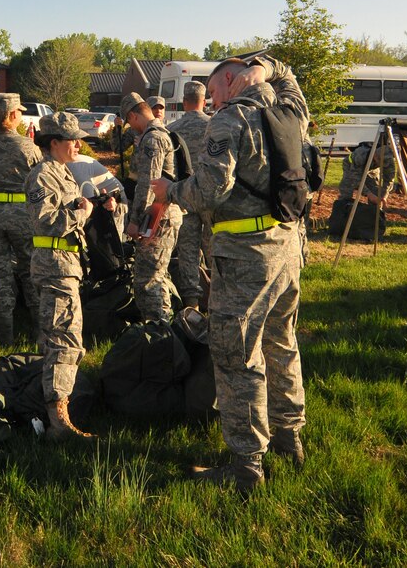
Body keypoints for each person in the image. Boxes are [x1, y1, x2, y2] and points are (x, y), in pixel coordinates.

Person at [150, 55, 308, 492]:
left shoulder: (229, 120)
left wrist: (170, 190)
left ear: (231, 80)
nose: (210, 96)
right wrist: (268, 66)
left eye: (214, 87)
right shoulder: (289, 110)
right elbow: (288, 76)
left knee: (238, 358)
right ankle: (289, 439)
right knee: (282, 344)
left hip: (244, 258)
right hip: (287, 247)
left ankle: (245, 466)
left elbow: (208, 191)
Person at [25, 112, 114, 440]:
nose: (78, 144)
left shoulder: (61, 173)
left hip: (66, 265)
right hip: (54, 267)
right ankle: (58, 421)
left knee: (62, 337)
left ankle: (57, 404)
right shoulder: (42, 175)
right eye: (72, 139)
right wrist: (80, 212)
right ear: (53, 143)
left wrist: (92, 205)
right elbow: (44, 221)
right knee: (63, 339)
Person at [0, 93, 42, 345]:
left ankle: (5, 332)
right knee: (29, 270)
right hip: (20, 215)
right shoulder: (26, 146)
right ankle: (38, 331)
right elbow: (39, 181)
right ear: (13, 115)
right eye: (20, 112)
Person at [119, 92, 182, 326]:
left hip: (157, 216)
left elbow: (148, 184)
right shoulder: (159, 134)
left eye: (130, 122)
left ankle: (160, 333)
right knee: (157, 275)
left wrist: (136, 221)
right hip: (160, 213)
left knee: (148, 280)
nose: (131, 127)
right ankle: (162, 331)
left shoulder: (152, 139)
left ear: (134, 115)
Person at [168, 81, 212, 309]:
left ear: (184, 102)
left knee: (188, 252)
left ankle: (192, 303)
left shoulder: (173, 130)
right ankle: (219, 298)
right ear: (204, 102)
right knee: (214, 248)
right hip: (211, 197)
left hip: (184, 197)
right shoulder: (215, 126)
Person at [329, 140, 396, 240]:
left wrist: (383, 195)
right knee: (346, 193)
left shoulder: (388, 159)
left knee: (376, 191)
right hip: (351, 168)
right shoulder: (361, 155)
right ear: (375, 156)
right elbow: (356, 179)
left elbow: (389, 179)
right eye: (380, 162)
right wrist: (368, 194)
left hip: (371, 170)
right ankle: (340, 222)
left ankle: (373, 224)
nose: (384, 164)